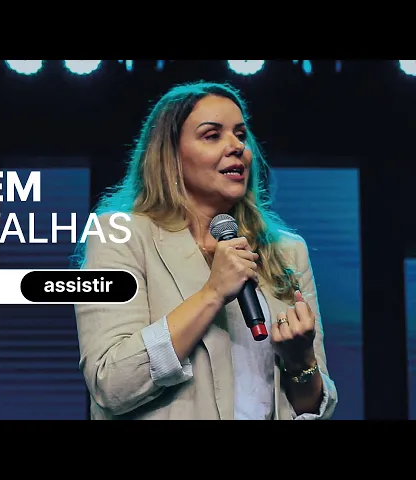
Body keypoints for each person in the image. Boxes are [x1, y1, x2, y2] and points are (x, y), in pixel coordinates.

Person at [73, 81, 338, 420]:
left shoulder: (286, 251)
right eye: (212, 136)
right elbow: (111, 383)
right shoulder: (120, 234)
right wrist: (211, 293)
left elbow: (312, 408)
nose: (236, 146)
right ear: (171, 156)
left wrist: (301, 362)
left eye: (240, 135)